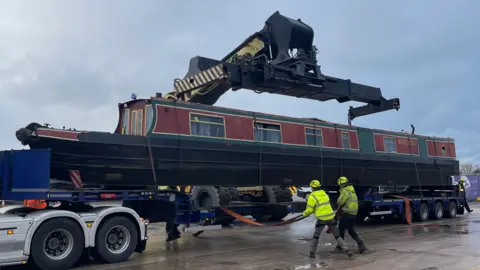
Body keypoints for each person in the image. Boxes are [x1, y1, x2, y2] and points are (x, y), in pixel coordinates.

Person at [302, 180, 353, 259]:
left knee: (316, 236)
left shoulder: (312, 196)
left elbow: (309, 210)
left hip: (322, 219)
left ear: (312, 187)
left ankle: (312, 253)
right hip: (331, 217)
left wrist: (304, 214)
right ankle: (347, 250)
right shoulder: (324, 194)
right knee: (337, 235)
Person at [331, 176, 367, 254]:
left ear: (341, 184)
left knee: (341, 230)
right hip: (353, 214)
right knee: (351, 230)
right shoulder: (352, 190)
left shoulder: (344, 191)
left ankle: (340, 247)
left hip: (346, 213)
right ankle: (361, 245)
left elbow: (339, 202)